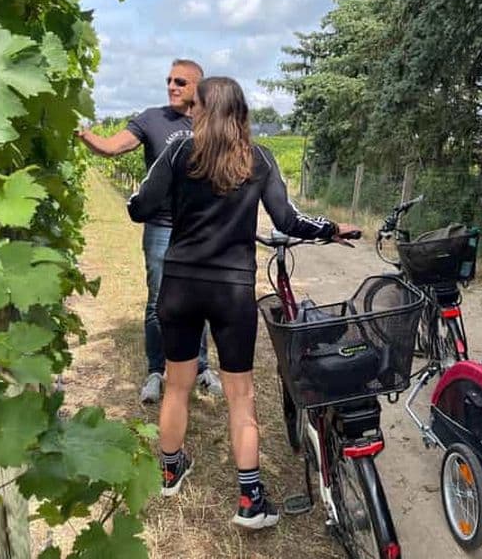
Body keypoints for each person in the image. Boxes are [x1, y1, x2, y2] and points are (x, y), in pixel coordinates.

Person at [127, 76, 359, 529]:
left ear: (205, 109)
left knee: (177, 384)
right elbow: (289, 219)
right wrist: (331, 229)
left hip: (179, 285)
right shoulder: (259, 158)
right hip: (232, 291)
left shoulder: (177, 151)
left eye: (194, 103)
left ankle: (170, 470)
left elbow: (139, 205)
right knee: (242, 395)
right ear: (241, 112)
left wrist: (163, 200)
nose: (188, 109)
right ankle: (251, 500)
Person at [77, 59, 221, 403]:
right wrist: (83, 134)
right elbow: (113, 147)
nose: (172, 86)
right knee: (159, 300)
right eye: (169, 80)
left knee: (197, 300)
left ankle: (200, 366)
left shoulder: (210, 123)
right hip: (161, 226)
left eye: (181, 82)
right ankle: (156, 370)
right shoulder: (152, 119)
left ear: (197, 88)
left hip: (199, 227)